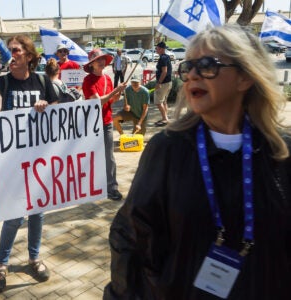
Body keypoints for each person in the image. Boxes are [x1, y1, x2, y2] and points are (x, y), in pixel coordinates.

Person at [104, 25, 291, 299]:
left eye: (206, 65)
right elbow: (131, 240)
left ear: (245, 77)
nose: (191, 75)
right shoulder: (167, 149)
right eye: (187, 66)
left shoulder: (281, 152)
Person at [0, 34, 58, 292]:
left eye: (15, 50)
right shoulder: (4, 82)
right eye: (8, 51)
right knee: (13, 215)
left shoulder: (41, 80)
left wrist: (46, 105)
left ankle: (34, 258)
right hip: (12, 162)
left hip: (39, 160)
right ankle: (2, 264)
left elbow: (58, 111)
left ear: (28, 55)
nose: (10, 54)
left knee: (37, 212)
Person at [82, 49, 126, 201]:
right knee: (92, 157)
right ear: (91, 64)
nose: (101, 62)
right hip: (91, 126)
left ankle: (112, 187)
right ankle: (90, 187)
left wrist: (119, 93)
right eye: (97, 60)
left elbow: (111, 101)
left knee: (109, 156)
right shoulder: (88, 81)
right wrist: (115, 92)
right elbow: (97, 102)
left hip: (106, 123)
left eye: (102, 59)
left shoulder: (107, 78)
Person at [153, 41, 173, 127]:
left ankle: (165, 119)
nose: (156, 50)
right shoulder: (166, 57)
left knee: (158, 102)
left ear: (161, 49)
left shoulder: (163, 58)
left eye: (157, 48)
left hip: (163, 83)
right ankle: (165, 118)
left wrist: (159, 82)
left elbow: (164, 71)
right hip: (168, 82)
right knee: (164, 101)